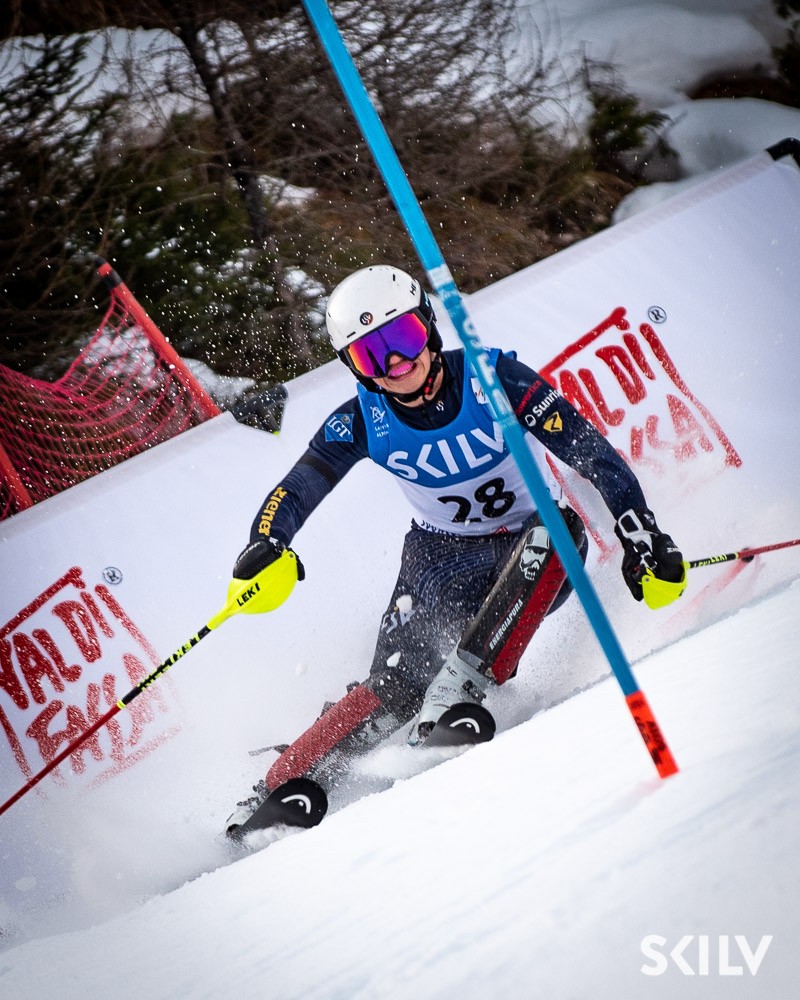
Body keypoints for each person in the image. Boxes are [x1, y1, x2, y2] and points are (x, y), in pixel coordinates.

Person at [224, 264, 685, 835]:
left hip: (531, 549)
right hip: (438, 561)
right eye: (372, 355)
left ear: (429, 326)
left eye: (403, 337)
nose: (397, 363)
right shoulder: (363, 419)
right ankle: (275, 790)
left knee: (561, 531)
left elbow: (590, 451)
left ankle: (458, 689)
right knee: (394, 683)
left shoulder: (494, 378)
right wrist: (266, 541)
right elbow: (298, 488)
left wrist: (641, 535)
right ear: (354, 368)